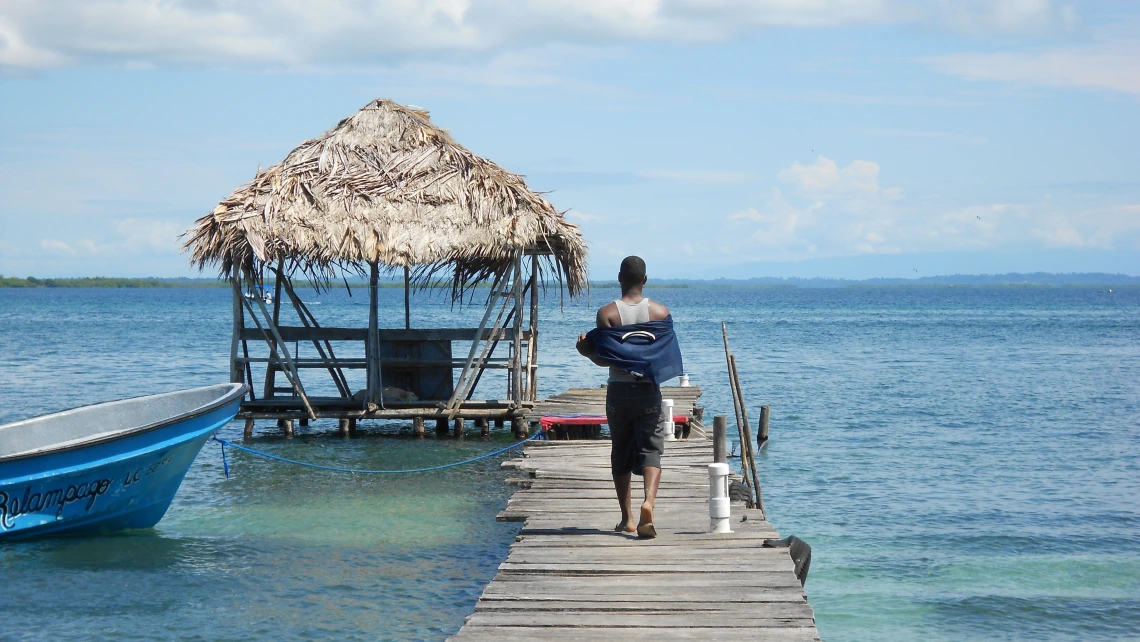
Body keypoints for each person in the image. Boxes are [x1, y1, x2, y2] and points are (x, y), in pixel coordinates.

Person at [576, 256, 674, 539]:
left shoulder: (607, 314)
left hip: (619, 390)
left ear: (620, 278)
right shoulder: (660, 313)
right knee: (651, 449)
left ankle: (628, 518)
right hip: (648, 390)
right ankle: (649, 503)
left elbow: (605, 360)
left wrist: (585, 351)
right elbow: (664, 356)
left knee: (620, 450)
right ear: (644, 280)